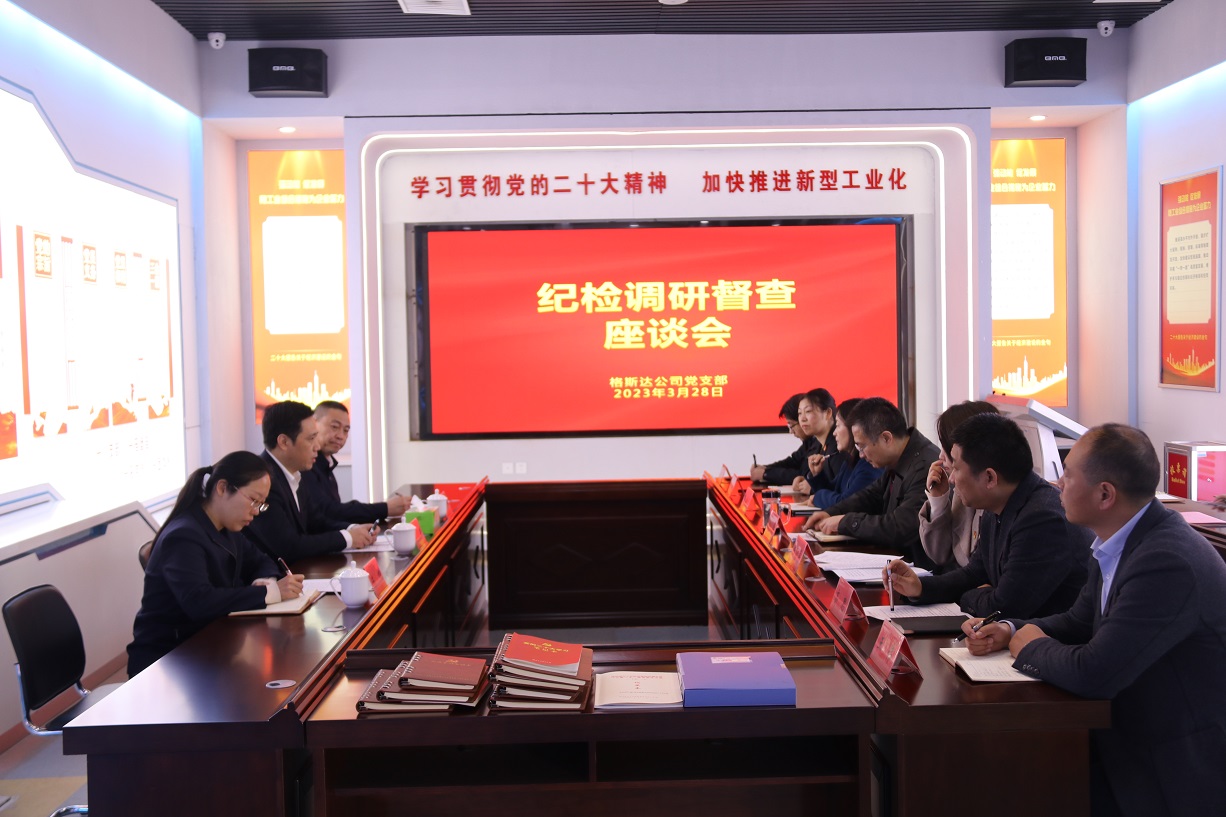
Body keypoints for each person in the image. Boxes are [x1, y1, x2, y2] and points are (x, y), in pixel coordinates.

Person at [964, 424, 1226, 817]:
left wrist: (1030, 646)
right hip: (1122, 740)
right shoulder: (1115, 540)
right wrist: (1009, 629)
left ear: (1105, 494)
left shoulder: (1165, 561)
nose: (1057, 484)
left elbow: (1095, 672)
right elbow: (1078, 621)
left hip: (1171, 766)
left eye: (1068, 476)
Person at [883, 413, 1090, 618]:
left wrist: (971, 596)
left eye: (956, 468)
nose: (952, 479)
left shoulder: (1042, 519)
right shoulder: (999, 503)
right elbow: (974, 573)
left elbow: (1003, 607)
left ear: (990, 478)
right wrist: (919, 587)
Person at [127, 451, 304, 676]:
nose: (255, 512)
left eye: (261, 504)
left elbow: (262, 560)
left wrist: (265, 581)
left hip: (209, 645)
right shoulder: (183, 536)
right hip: (168, 660)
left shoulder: (228, 528)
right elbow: (199, 601)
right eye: (253, 500)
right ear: (222, 488)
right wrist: (270, 592)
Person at [802, 397, 939, 563]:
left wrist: (845, 522)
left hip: (919, 569)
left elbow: (900, 527)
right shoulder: (898, 456)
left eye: (862, 446)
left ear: (886, 438)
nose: (861, 455)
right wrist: (831, 512)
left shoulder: (925, 467)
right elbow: (870, 495)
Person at [244, 400, 376, 562]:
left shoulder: (295, 474)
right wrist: (347, 538)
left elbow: (316, 521)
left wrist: (353, 529)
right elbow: (289, 546)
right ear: (284, 442)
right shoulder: (263, 481)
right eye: (311, 439)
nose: (317, 446)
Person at [917, 400, 999, 570]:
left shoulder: (998, 498)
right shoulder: (961, 488)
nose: (940, 456)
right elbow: (940, 555)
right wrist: (938, 501)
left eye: (945, 448)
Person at [301, 400, 407, 529]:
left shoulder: (327, 464)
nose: (340, 436)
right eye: (334, 427)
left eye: (346, 430)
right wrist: (384, 508)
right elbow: (328, 511)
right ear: (314, 424)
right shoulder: (305, 465)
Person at [798, 398, 881, 508]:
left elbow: (845, 503)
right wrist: (817, 474)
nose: (834, 433)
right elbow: (834, 491)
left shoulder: (869, 465)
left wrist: (817, 497)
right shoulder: (849, 461)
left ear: (854, 428)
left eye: (837, 425)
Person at [749, 393, 822, 485]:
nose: (791, 431)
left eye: (791, 425)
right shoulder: (809, 441)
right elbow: (793, 462)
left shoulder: (820, 442)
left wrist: (766, 473)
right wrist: (765, 468)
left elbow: (803, 475)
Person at [792, 388, 843, 500]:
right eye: (799, 413)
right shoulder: (820, 444)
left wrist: (813, 488)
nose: (802, 419)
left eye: (808, 411)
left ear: (828, 413)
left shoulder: (839, 446)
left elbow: (841, 491)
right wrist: (809, 479)